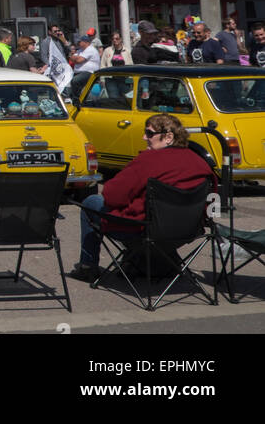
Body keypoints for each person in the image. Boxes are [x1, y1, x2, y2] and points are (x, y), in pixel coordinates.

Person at [70, 114, 217, 282]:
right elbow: (213, 199)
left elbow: (111, 195)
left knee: (91, 202)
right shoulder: (200, 162)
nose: (144, 137)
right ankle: (147, 262)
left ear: (169, 137)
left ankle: (87, 267)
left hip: (144, 231)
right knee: (149, 211)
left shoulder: (149, 160)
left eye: (149, 133)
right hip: (187, 232)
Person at [68, 33, 101, 98]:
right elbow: (72, 58)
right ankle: (75, 99)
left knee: (75, 81)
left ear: (86, 42)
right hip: (78, 73)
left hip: (89, 73)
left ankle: (76, 99)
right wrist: (73, 57)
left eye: (79, 42)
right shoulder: (80, 50)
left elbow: (78, 60)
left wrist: (75, 58)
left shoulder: (90, 49)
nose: (78, 43)